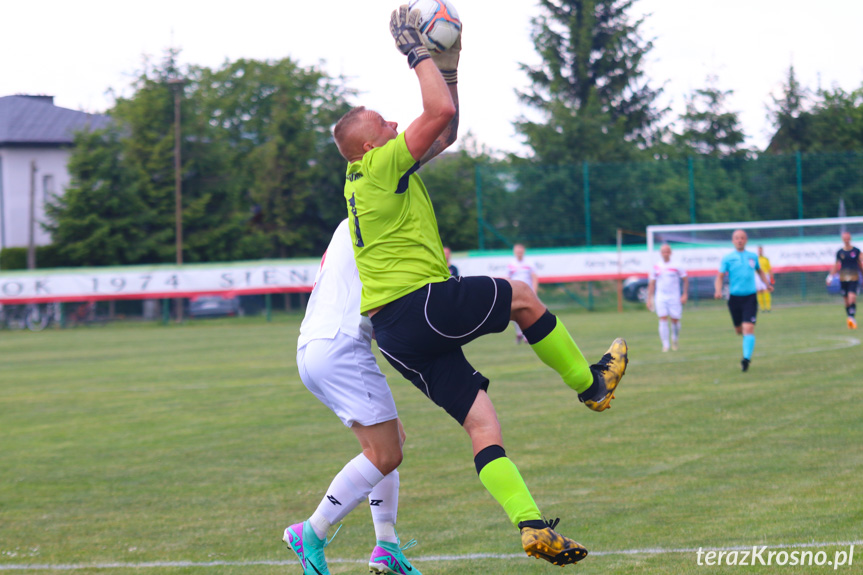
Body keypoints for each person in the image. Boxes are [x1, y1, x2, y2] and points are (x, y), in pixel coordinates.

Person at [332, 6, 628, 568]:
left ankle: (531, 526)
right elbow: (436, 111)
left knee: (482, 423)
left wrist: (450, 61)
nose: (395, 125)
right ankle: (592, 386)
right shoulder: (381, 165)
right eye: (384, 125)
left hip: (396, 335)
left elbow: (446, 126)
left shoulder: (368, 174)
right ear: (369, 147)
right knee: (521, 296)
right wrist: (414, 51)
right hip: (418, 306)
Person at [285, 219, 422, 575]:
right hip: (341, 345)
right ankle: (311, 531)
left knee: (392, 441)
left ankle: (387, 545)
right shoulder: (379, 217)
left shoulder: (350, 222)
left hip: (313, 346)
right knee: (384, 452)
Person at [715, 230, 773, 372]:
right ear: (733, 241)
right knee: (739, 330)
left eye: (742, 238)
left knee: (748, 328)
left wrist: (767, 284)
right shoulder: (728, 258)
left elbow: (759, 271)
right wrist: (718, 290)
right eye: (736, 238)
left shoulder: (752, 257)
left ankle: (746, 359)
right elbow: (720, 276)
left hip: (750, 298)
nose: (739, 240)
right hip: (734, 298)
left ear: (746, 240)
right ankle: (745, 342)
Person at [647, 243, 688, 352]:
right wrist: (649, 299)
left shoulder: (677, 266)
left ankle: (675, 339)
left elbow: (685, 280)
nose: (665, 253)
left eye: (667, 251)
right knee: (663, 318)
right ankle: (665, 345)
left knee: (675, 319)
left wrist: (684, 294)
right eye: (663, 251)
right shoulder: (656, 267)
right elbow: (652, 283)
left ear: (670, 253)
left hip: (674, 296)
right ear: (660, 253)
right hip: (661, 297)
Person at [827, 231, 862, 329]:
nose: (846, 240)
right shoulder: (840, 252)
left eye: (848, 238)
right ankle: (849, 317)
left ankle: (851, 318)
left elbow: (861, 264)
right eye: (844, 238)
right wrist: (829, 277)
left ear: (850, 238)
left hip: (854, 278)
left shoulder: (856, 251)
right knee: (846, 301)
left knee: (852, 297)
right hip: (843, 278)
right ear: (843, 239)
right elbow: (835, 266)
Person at [507, 243, 539, 344]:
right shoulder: (511, 264)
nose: (519, 253)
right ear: (514, 252)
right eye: (517, 251)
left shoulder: (529, 263)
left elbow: (534, 278)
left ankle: (528, 334)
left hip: (527, 293)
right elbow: (507, 279)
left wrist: (534, 291)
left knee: (531, 313)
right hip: (515, 293)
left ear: (523, 252)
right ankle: (519, 333)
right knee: (513, 314)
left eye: (521, 251)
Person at [755, 246, 773, 312]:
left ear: (762, 251)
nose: (760, 251)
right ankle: (762, 308)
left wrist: (771, 277)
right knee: (759, 291)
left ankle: (768, 308)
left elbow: (769, 268)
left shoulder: (766, 259)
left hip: (765, 275)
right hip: (757, 276)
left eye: (761, 250)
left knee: (766, 291)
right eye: (758, 250)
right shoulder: (755, 259)